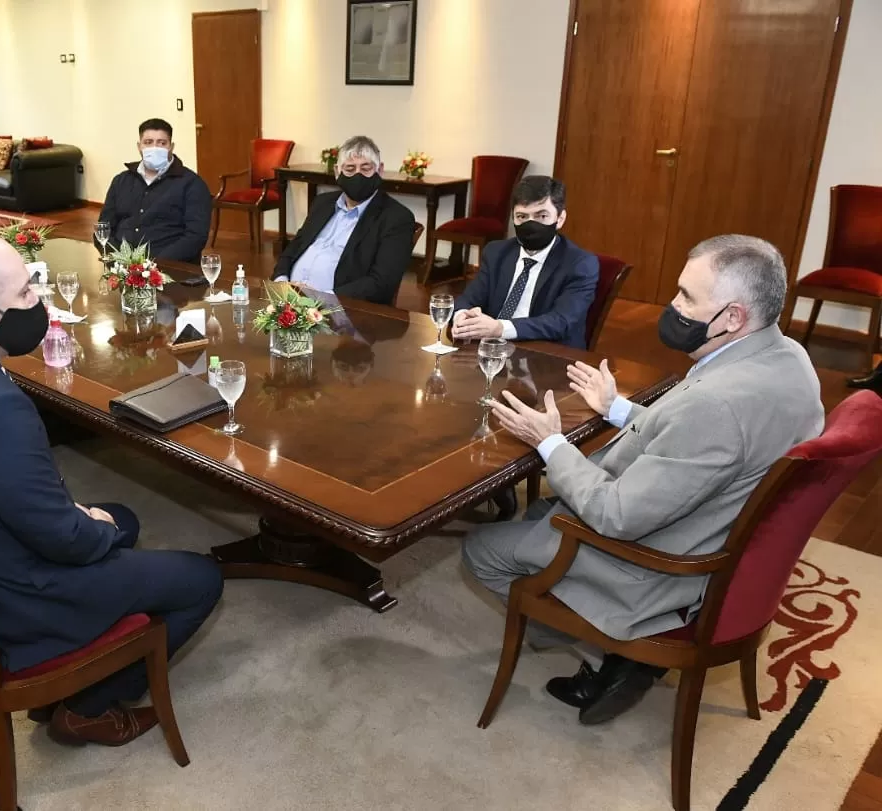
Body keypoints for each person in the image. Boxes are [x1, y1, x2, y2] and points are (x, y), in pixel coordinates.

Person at [0, 231, 223, 747]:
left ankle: (93, 650)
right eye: (26, 294)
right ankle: (85, 705)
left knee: (124, 517)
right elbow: (61, 540)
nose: (38, 302)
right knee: (200, 577)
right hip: (16, 592)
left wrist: (86, 518)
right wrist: (88, 526)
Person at [462, 234, 824, 726]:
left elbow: (616, 515)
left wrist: (550, 443)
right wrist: (617, 410)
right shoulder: (787, 359)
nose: (673, 305)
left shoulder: (717, 405)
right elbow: (700, 444)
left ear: (734, 317)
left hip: (660, 560)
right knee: (535, 516)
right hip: (706, 520)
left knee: (482, 549)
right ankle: (601, 639)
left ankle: (611, 651)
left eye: (687, 297)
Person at [449, 175, 597, 349]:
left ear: (560, 219)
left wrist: (500, 328)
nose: (530, 224)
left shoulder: (579, 263)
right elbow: (468, 299)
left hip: (548, 355)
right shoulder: (497, 252)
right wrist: (462, 316)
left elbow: (561, 322)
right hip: (492, 350)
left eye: (541, 216)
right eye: (522, 217)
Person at [271, 135, 416, 306]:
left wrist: (320, 298)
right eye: (349, 169)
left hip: (340, 313)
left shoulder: (396, 217)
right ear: (337, 172)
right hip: (288, 302)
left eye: (366, 168)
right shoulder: (322, 203)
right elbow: (294, 247)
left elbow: (381, 283)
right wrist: (281, 282)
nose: (357, 175)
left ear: (380, 170)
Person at [97, 117, 211, 262]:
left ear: (171, 147)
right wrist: (119, 259)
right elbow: (102, 229)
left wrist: (152, 266)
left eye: (161, 143)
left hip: (167, 269)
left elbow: (196, 237)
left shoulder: (192, 184)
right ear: (139, 146)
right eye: (148, 143)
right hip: (120, 266)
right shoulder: (121, 181)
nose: (154, 148)